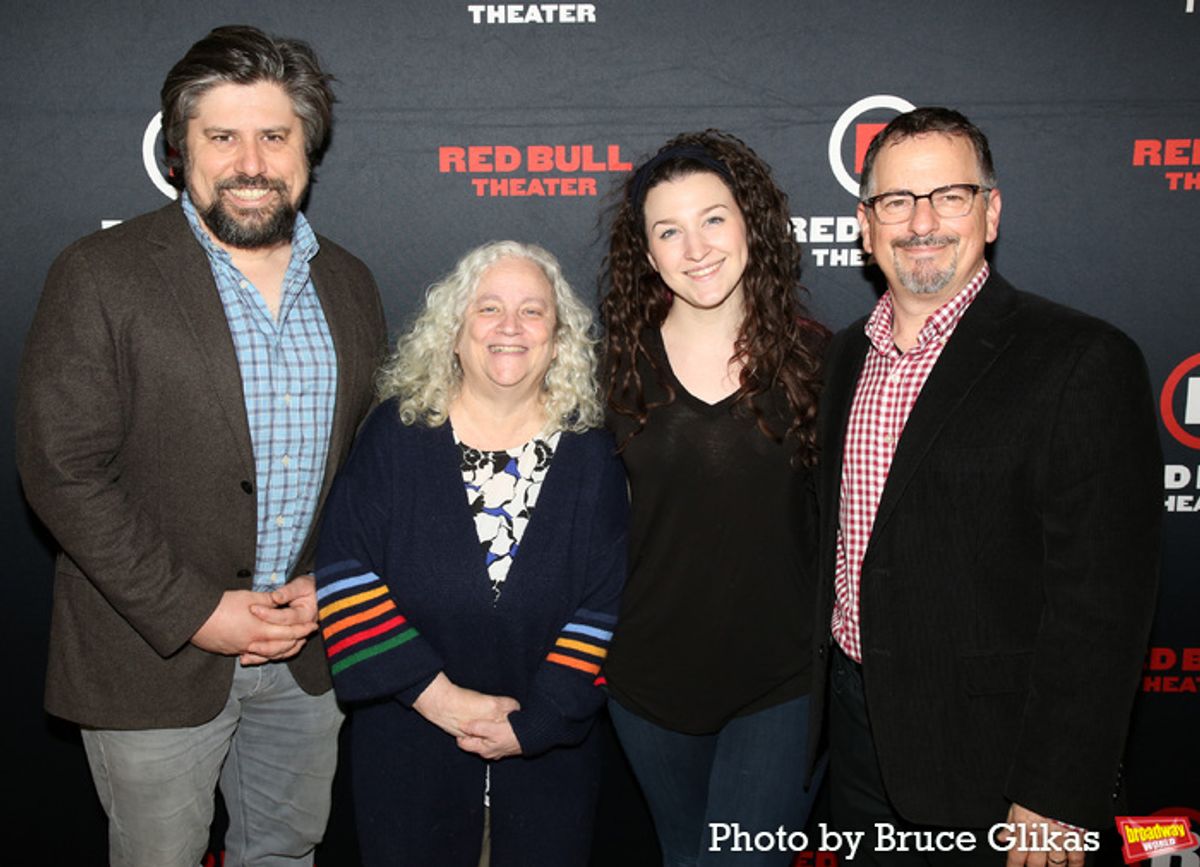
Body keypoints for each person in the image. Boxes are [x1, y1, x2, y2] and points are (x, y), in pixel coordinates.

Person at [15, 25, 387, 867]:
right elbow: (61, 468)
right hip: (151, 657)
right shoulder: (100, 272)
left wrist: (331, 582)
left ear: (306, 152)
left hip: (308, 652)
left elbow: (373, 464)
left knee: (287, 853)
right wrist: (198, 611)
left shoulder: (350, 283)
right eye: (222, 136)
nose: (250, 160)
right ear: (181, 151)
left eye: (274, 135)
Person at [812, 107, 1161, 866]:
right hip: (857, 734)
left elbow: (1103, 603)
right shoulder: (840, 359)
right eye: (896, 202)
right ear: (865, 226)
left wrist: (1059, 791)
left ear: (992, 211)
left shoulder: (1080, 359)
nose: (922, 222)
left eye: (951, 196)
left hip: (999, 760)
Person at [314, 240, 628, 866]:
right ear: (454, 333)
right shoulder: (396, 436)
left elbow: (608, 606)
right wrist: (437, 697)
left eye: (533, 312)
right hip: (407, 746)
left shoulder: (593, 452)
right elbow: (345, 574)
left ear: (559, 338)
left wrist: (536, 724)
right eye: (488, 309)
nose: (510, 327)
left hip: (550, 761)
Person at [599, 130, 827, 866]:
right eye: (668, 230)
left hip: (783, 684)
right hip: (649, 684)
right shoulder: (612, 371)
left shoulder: (819, 360)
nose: (694, 247)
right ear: (647, 251)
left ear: (750, 222)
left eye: (713, 218)